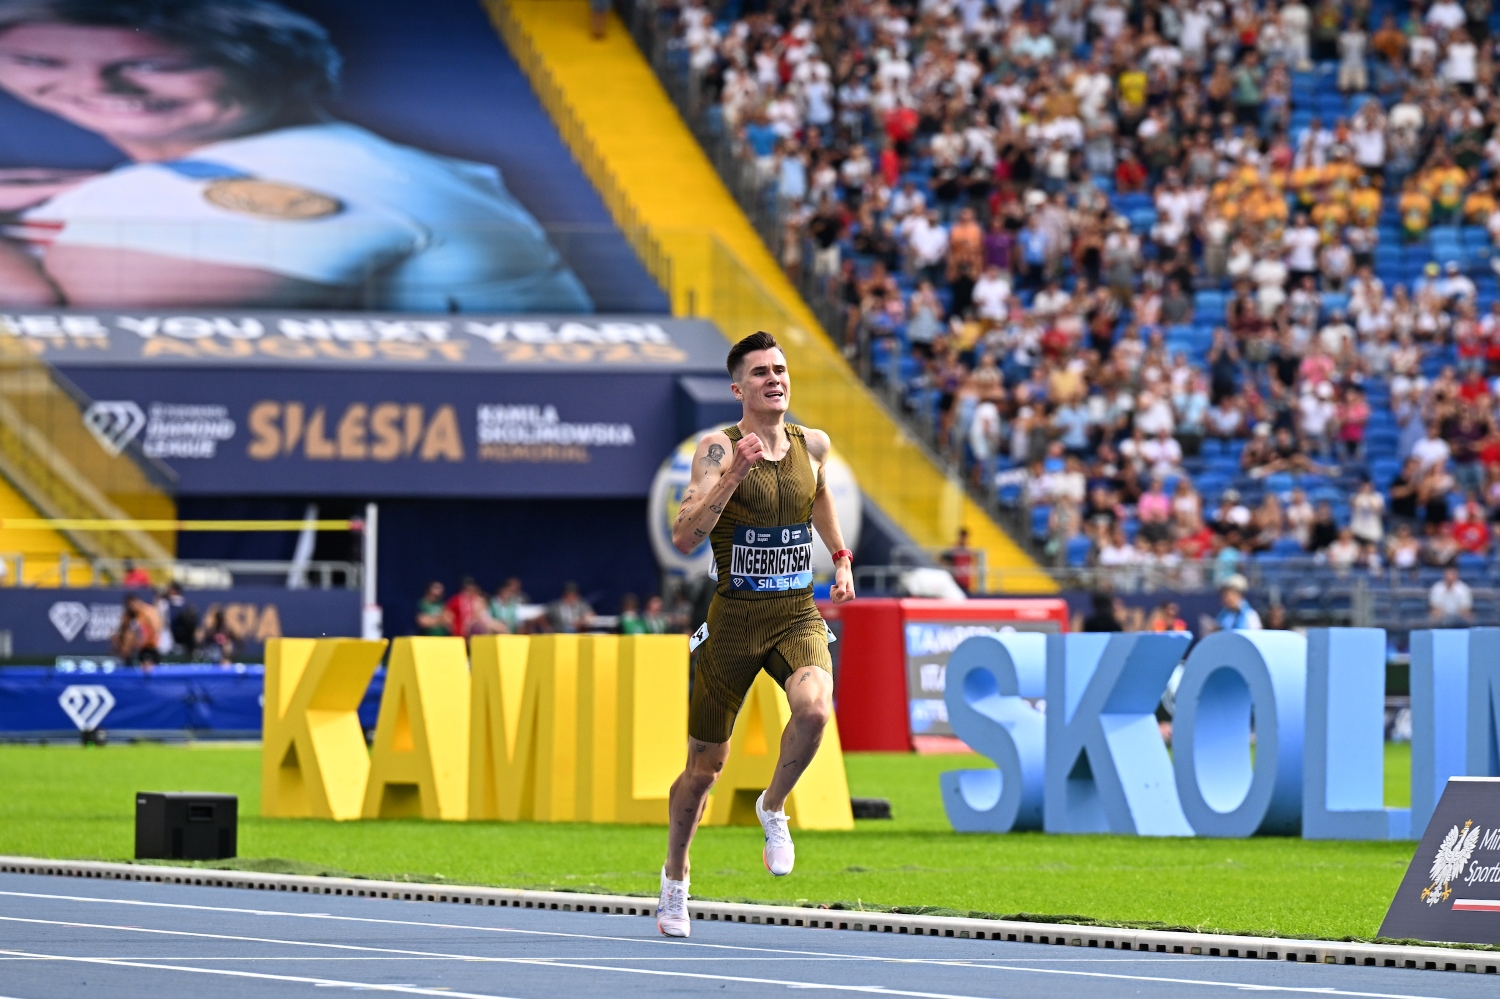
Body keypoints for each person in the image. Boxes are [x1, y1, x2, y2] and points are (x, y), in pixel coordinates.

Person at [0, 0, 589, 310]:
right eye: (37, 62)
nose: (100, 88)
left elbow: (64, 347)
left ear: (265, 61)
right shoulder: (347, 158)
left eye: (154, 63)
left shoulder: (299, 174)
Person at [656, 330, 854, 938]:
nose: (775, 379)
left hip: (796, 612)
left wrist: (840, 555)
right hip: (734, 622)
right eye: (762, 372)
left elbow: (817, 493)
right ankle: (676, 876)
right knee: (704, 768)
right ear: (738, 388)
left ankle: (772, 806)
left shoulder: (811, 442)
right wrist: (731, 476)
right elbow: (684, 536)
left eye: (781, 369)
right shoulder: (718, 449)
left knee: (815, 708)